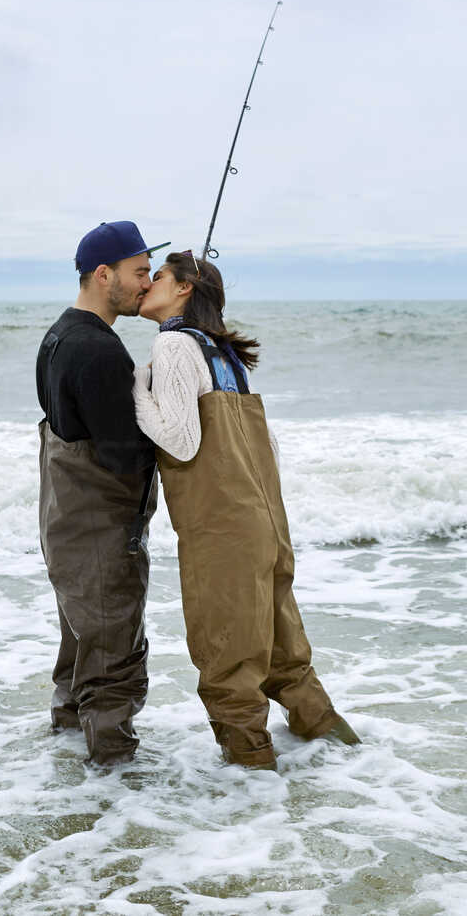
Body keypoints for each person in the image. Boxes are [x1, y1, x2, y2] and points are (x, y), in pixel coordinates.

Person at [132, 251, 361, 770]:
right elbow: (269, 447)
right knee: (283, 651)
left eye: (159, 277)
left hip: (223, 526)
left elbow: (182, 442)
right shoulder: (223, 353)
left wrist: (136, 391)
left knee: (227, 653)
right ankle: (336, 746)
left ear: (184, 289)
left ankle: (250, 784)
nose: (147, 285)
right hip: (266, 517)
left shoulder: (172, 344)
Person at [36, 221, 169, 766]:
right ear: (103, 274)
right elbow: (121, 456)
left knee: (81, 640)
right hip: (99, 528)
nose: (145, 284)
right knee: (113, 650)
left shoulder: (58, 335)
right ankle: (113, 780)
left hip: (65, 523)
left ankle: (66, 756)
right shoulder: (99, 351)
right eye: (139, 273)